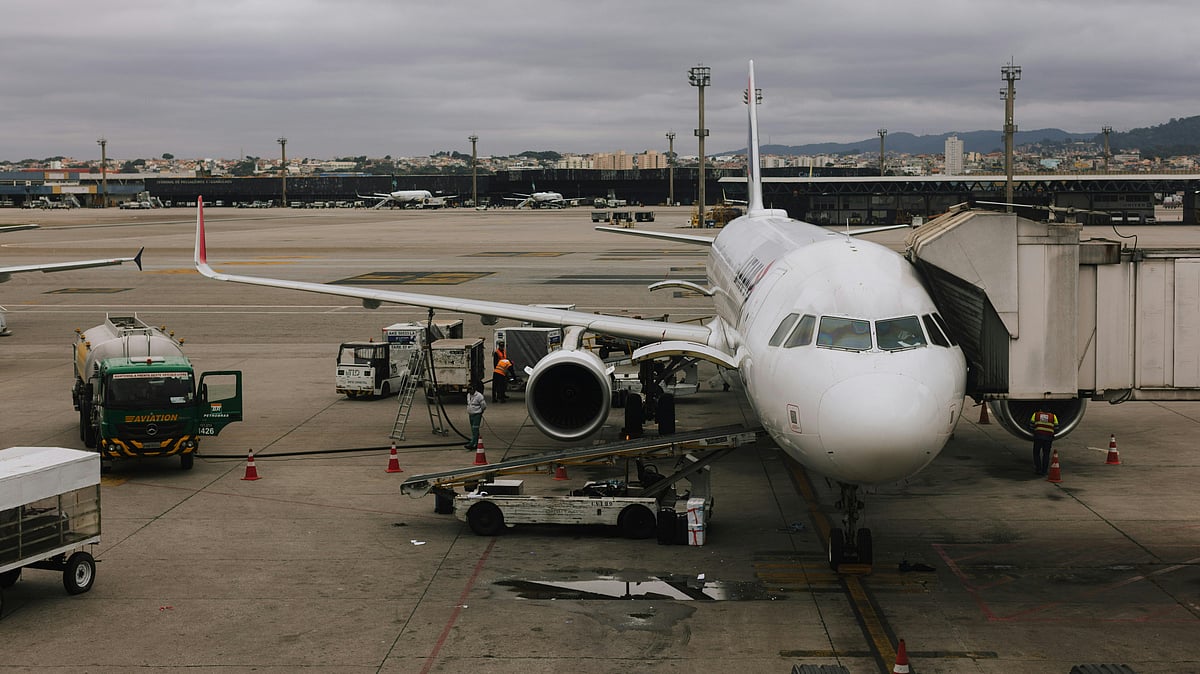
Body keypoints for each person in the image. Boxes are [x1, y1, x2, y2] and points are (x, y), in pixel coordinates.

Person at [1030, 407, 1059, 475]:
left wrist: (1034, 431)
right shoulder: (1053, 416)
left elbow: (1031, 425)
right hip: (1048, 438)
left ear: (1040, 409)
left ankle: (1038, 469)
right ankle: (1044, 470)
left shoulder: (1036, 414)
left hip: (1038, 437)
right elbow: (1056, 427)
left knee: (1036, 453)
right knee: (1046, 454)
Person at [465, 381, 487, 450]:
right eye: (468, 389)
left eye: (470, 389)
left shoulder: (479, 396)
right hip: (471, 414)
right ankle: (477, 443)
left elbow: (484, 405)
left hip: (477, 414)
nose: (469, 391)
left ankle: (472, 443)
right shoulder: (468, 395)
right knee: (473, 429)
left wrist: (480, 412)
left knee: (475, 429)